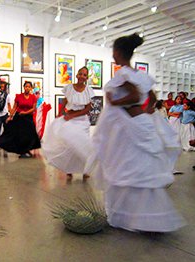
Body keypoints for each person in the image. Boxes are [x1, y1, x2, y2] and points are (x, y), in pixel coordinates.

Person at [85, 33, 184, 233]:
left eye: (113, 52)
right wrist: (144, 113)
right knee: (136, 170)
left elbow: (135, 94)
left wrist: (115, 102)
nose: (113, 55)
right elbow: (151, 98)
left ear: (119, 53)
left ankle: (126, 215)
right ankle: (139, 216)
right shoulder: (140, 75)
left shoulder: (123, 73)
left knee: (124, 168)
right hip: (139, 122)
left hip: (129, 126)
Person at [43, 67, 94, 179]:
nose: (82, 76)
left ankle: (86, 170)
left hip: (82, 120)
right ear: (76, 75)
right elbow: (64, 103)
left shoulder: (88, 90)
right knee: (69, 145)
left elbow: (87, 109)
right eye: (80, 74)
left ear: (86, 78)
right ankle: (68, 169)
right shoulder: (69, 88)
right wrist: (59, 114)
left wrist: (72, 115)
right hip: (70, 118)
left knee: (81, 145)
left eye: (84, 75)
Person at [0, 81, 40, 158]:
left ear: (31, 88)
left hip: (28, 118)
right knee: (20, 135)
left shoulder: (33, 97)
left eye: (29, 87)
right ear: (24, 87)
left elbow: (33, 108)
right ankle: (22, 151)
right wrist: (10, 116)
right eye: (26, 86)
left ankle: (27, 149)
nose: (27, 88)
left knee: (30, 134)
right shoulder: (19, 96)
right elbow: (14, 107)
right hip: (19, 117)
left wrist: (25, 113)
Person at [0, 81, 12, 157]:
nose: (1, 88)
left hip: (5, 114)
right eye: (0, 86)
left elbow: (9, 105)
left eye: (3, 86)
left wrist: (10, 114)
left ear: (5, 87)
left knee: (6, 130)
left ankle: (5, 144)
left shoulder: (8, 95)